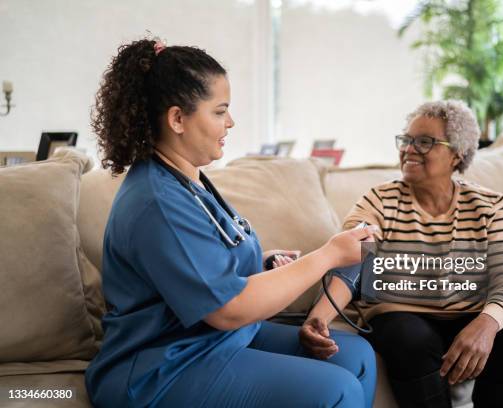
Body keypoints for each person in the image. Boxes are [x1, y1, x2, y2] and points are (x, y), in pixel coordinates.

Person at [84, 38, 378, 408]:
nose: (231, 122)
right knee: (339, 390)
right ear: (177, 119)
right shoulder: (157, 202)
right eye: (220, 111)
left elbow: (205, 267)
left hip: (210, 340)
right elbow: (228, 309)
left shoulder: (186, 179)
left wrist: (263, 264)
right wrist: (328, 255)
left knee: (357, 358)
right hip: (160, 366)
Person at [299, 100, 503, 408]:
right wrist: (319, 317)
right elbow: (352, 257)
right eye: (406, 140)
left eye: (425, 142)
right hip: (401, 315)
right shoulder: (380, 200)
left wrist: (486, 324)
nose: (409, 149)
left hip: (468, 310)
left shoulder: (490, 205)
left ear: (457, 153)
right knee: (409, 339)